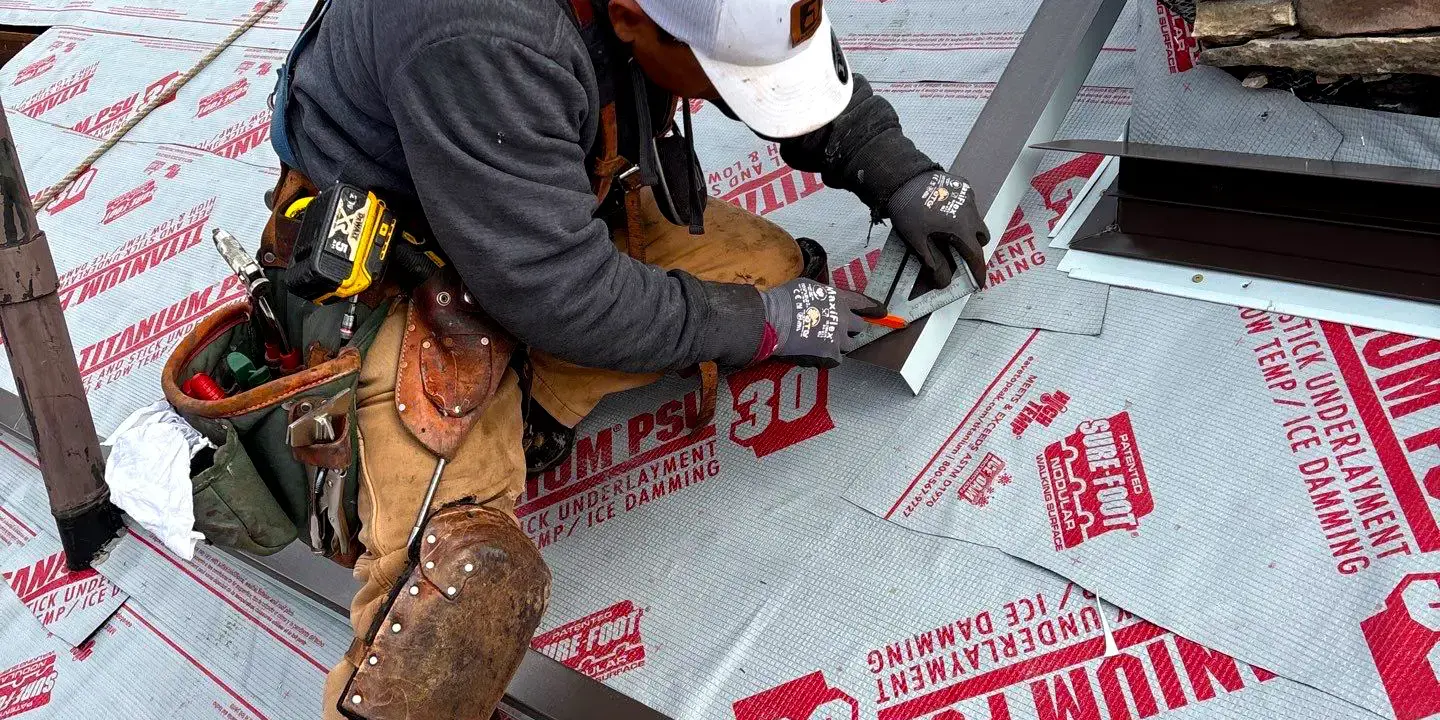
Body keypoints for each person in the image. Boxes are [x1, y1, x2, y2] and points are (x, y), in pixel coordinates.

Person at [269, 0, 990, 716]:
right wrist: (758, 326)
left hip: (532, 206)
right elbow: (559, 290)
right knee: (454, 590)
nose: (720, 95)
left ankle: (532, 395)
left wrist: (896, 171)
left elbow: (768, 60)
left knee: (769, 271)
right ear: (628, 19)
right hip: (402, 259)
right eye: (713, 77)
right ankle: (443, 417)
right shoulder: (478, 30)